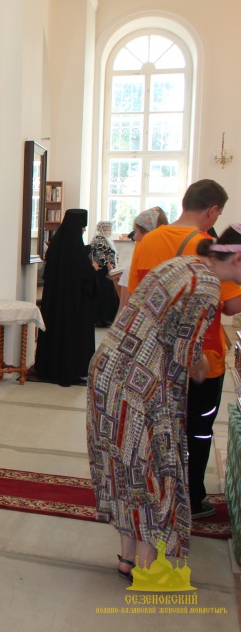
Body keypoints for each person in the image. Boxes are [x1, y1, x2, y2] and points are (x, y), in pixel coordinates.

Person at [87, 224, 241, 579]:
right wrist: (206, 366)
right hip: (140, 382)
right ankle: (145, 565)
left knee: (125, 469)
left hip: (109, 370)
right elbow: (190, 355)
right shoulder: (206, 286)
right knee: (153, 469)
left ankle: (128, 558)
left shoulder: (183, 264)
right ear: (236, 259)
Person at [125, 180, 241, 520]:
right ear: (213, 211)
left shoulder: (148, 240)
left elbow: (134, 296)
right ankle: (191, 497)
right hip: (202, 357)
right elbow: (230, 306)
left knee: (159, 428)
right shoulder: (210, 248)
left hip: (154, 356)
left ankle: (158, 493)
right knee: (197, 430)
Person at [33, 209, 96, 386]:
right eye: (83, 226)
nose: (84, 230)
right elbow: (85, 278)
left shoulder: (55, 245)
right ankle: (73, 370)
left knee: (55, 333)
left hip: (55, 303)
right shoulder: (76, 249)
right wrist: (93, 270)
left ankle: (49, 368)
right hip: (75, 305)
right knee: (72, 336)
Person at [110, 207, 168, 304]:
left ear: (149, 234)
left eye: (136, 231)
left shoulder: (134, 271)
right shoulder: (173, 266)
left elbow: (125, 309)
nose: (135, 237)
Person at [89, 221, 119, 327]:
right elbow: (101, 255)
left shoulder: (101, 239)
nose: (110, 231)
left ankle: (104, 318)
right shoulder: (100, 240)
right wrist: (108, 265)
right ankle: (103, 319)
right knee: (105, 295)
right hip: (103, 272)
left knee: (106, 294)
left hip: (104, 271)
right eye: (108, 229)